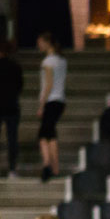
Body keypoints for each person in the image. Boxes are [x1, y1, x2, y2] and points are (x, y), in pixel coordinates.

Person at [0, 40, 23, 180]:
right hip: (11, 105)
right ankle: (12, 168)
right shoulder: (15, 67)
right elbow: (19, 86)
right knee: (12, 138)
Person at [36, 32, 68, 182]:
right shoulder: (62, 60)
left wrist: (41, 105)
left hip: (51, 100)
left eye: (40, 42)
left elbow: (48, 85)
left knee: (43, 135)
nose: (38, 45)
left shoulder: (48, 62)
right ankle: (55, 168)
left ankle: (47, 165)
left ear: (47, 43)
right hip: (60, 100)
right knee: (50, 134)